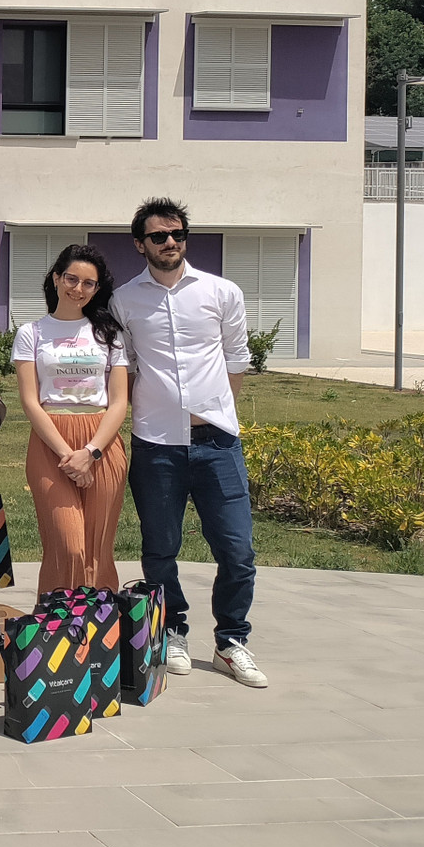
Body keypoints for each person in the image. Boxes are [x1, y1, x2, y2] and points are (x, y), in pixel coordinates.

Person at [111, 197, 266, 688]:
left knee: (237, 550)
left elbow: (236, 360)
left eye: (177, 234)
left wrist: (216, 413)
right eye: (159, 236)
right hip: (156, 444)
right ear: (141, 245)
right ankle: (172, 630)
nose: (171, 243)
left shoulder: (221, 292)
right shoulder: (124, 300)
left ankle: (231, 642)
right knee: (161, 549)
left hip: (217, 443)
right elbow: (128, 367)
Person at [13, 244, 130, 595]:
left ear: (97, 289)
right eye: (71, 278)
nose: (77, 289)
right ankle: (58, 631)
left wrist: (90, 452)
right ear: (56, 278)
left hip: (102, 443)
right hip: (52, 442)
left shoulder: (109, 335)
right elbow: (30, 402)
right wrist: (69, 454)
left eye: (88, 283)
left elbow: (120, 401)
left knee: (97, 548)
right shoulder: (31, 334)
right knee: (68, 545)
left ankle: (101, 634)